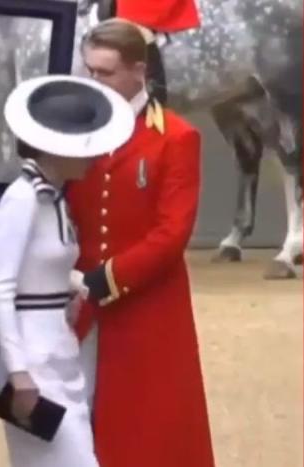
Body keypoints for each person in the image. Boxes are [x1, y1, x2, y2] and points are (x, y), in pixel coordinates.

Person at [67, 19, 216, 467]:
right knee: (73, 419)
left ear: (138, 71)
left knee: (148, 430)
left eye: (105, 73)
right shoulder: (76, 130)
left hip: (148, 305)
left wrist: (103, 280)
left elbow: (172, 235)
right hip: (79, 304)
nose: (94, 82)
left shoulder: (176, 137)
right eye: (89, 71)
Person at [0, 74, 135, 467]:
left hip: (61, 349)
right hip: (32, 358)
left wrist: (82, 285)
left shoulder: (55, 200)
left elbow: (47, 272)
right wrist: (19, 373)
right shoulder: (22, 199)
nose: (94, 156)